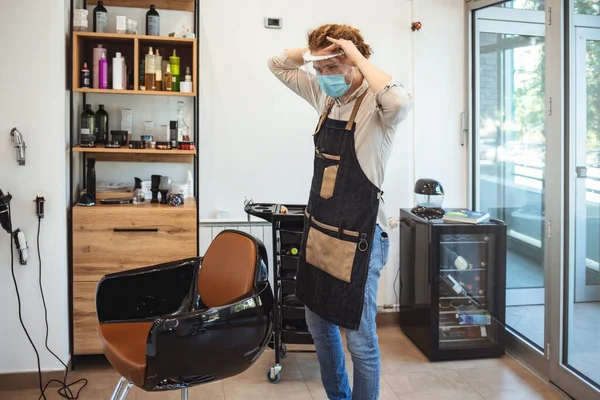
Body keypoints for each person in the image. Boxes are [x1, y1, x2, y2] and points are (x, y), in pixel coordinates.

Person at [268, 24, 413, 400]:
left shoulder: (377, 107)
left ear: (354, 63)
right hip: (322, 233)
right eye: (320, 69)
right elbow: (278, 65)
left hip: (362, 239)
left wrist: (355, 54)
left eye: (334, 67)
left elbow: (400, 101)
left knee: (361, 340)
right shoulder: (324, 96)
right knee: (318, 326)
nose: (325, 76)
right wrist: (313, 54)